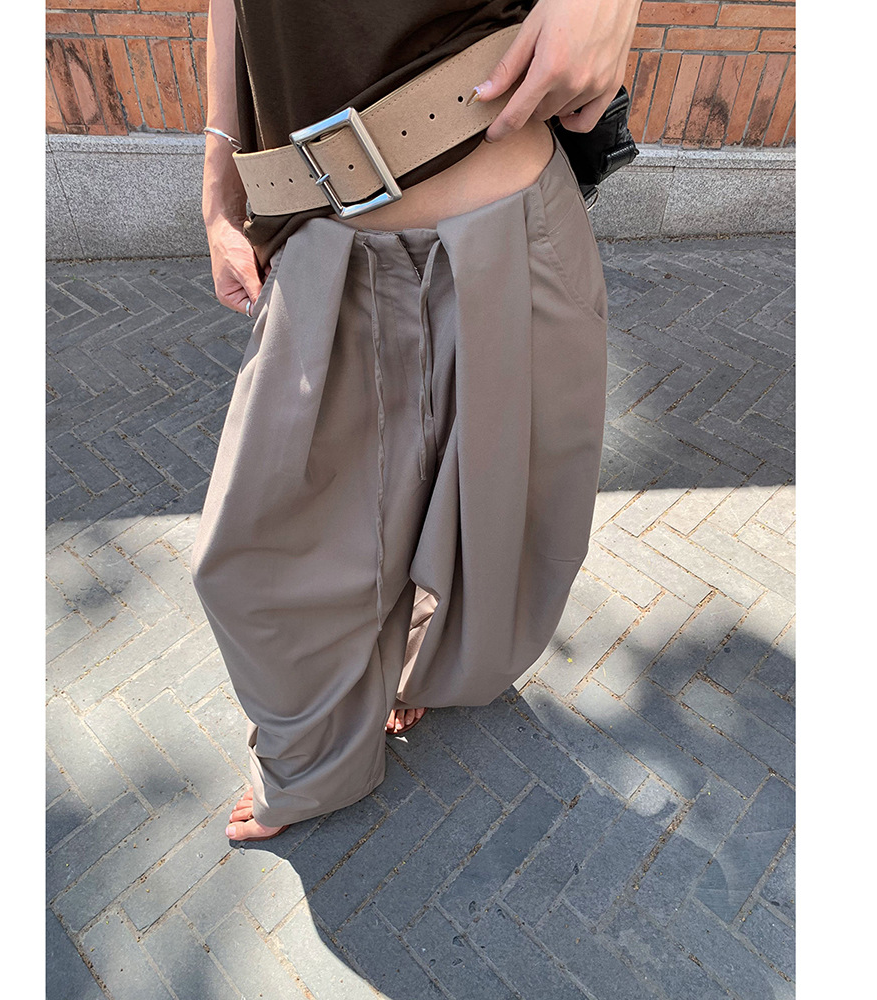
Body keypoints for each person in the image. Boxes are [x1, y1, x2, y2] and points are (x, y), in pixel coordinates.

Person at [193, 0, 644, 842]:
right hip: (318, 237)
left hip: (508, 224)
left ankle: (425, 667)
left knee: (501, 529)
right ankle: (316, 762)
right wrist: (220, 176)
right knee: (252, 554)